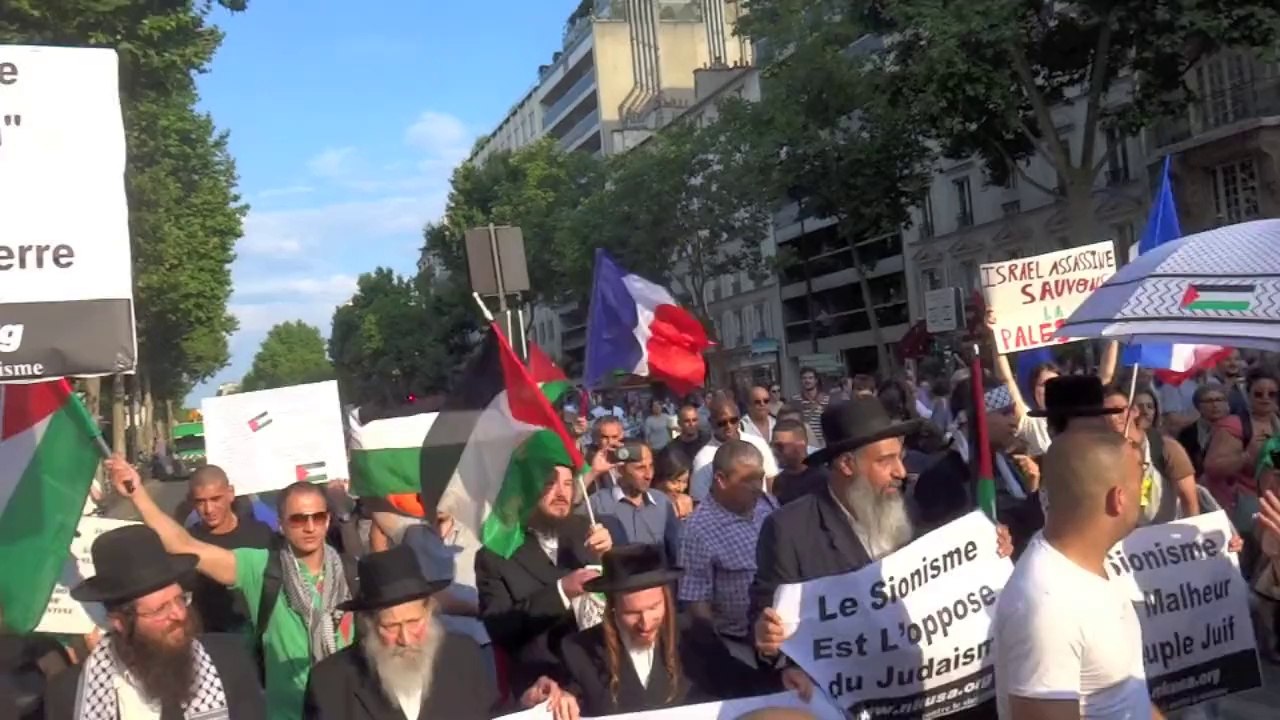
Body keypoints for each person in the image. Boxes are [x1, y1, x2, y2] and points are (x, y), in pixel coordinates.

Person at [751, 397, 1012, 718]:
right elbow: (766, 622)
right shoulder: (789, 530)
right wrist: (775, 651)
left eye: (899, 458)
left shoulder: (917, 510)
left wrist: (992, 547)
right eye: (885, 461)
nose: (901, 472)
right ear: (847, 465)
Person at [104, 457, 355, 720]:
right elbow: (184, 545)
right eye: (298, 519)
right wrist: (137, 493)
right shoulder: (260, 566)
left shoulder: (351, 574)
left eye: (318, 517)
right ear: (281, 523)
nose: (310, 527)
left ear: (328, 521)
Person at [994, 432, 1155, 719]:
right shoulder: (1047, 606)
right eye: (1141, 484)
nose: (1144, 493)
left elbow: (1124, 698)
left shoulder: (1097, 564)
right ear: (1119, 499)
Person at [43, 525, 264, 719]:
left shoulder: (230, 661)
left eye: (180, 599)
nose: (179, 614)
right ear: (120, 621)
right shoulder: (69, 693)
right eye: (161, 609)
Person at [531, 544, 772, 716]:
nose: (646, 623)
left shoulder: (695, 635)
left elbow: (743, 682)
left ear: (666, 599)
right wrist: (559, 697)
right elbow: (566, 694)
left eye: (654, 607)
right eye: (632, 613)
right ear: (612, 607)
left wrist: (783, 677)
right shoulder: (579, 650)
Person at [302, 545, 496, 719]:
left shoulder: (465, 656)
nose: (405, 638)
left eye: (413, 622)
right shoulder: (331, 683)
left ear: (429, 613)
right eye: (391, 626)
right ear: (368, 624)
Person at [475, 464, 617, 695]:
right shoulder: (495, 554)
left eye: (568, 484)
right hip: (545, 683)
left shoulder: (593, 530)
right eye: (550, 483)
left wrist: (610, 560)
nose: (561, 493)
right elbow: (500, 628)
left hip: (606, 673)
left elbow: (627, 600)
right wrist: (561, 592)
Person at [679, 441, 779, 647]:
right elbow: (696, 601)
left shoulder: (768, 505)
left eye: (758, 479)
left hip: (782, 633)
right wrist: (719, 651)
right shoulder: (698, 530)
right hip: (738, 643)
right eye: (747, 481)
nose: (755, 488)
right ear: (721, 480)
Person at [181, 466, 275, 635]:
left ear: (230, 493)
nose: (209, 509)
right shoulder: (188, 544)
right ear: (191, 501)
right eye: (200, 501)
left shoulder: (260, 533)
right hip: (213, 641)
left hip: (262, 636)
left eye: (215, 499)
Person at [588, 441, 682, 566]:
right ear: (621, 469)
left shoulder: (662, 502)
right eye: (640, 468)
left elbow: (676, 553)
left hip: (658, 582)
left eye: (651, 466)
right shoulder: (598, 504)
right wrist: (592, 473)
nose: (648, 475)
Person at [690, 398, 778, 503]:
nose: (729, 426)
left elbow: (771, 479)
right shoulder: (703, 459)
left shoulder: (758, 443)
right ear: (711, 422)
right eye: (722, 423)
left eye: (733, 420)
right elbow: (699, 500)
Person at [770, 418, 827, 505]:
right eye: (773, 446)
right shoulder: (780, 481)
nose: (775, 451)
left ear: (800, 446)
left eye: (780, 446)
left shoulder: (823, 480)